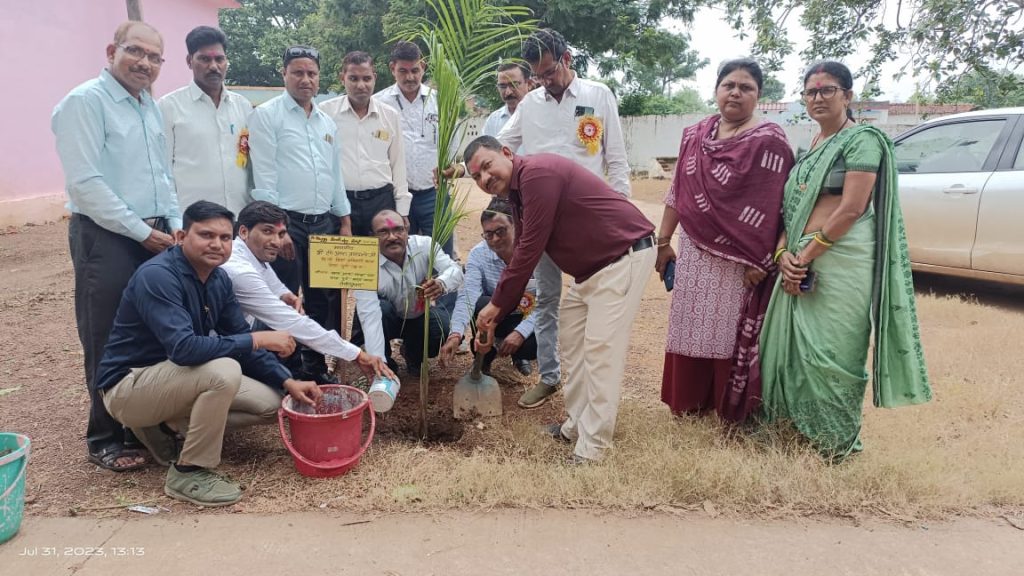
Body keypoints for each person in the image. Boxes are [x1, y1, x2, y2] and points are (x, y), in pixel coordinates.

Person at [95, 201, 321, 507]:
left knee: (271, 404)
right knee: (224, 370)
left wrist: (287, 381)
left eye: (225, 238)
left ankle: (165, 427)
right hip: (129, 387)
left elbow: (236, 335)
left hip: (175, 379)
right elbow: (185, 348)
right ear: (181, 235)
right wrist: (258, 339)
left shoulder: (219, 279)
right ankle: (190, 471)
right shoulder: (158, 276)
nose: (217, 244)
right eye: (206, 235)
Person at [759, 61, 931, 460]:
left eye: (828, 90)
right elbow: (791, 207)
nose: (818, 98)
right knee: (792, 351)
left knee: (834, 352)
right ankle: (792, 432)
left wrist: (806, 254)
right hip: (798, 257)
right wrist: (784, 253)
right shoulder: (811, 147)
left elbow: (852, 208)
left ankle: (834, 443)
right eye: (811, 92)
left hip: (840, 259)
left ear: (848, 96)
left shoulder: (862, 140)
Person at [465, 137, 656, 463]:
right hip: (591, 272)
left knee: (599, 353)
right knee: (573, 345)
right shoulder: (518, 193)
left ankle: (593, 448)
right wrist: (495, 315)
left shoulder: (538, 175)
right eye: (476, 176)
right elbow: (524, 245)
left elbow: (528, 249)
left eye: (487, 166)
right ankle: (576, 426)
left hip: (623, 258)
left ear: (507, 154)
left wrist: (496, 306)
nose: (484, 178)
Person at [52, 21, 180, 472]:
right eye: (135, 51)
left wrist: (175, 226)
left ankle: (141, 425)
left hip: (156, 233)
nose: (144, 63)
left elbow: (164, 176)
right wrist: (140, 231)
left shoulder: (148, 107)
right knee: (106, 335)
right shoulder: (85, 103)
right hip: (106, 237)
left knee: (153, 331)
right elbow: (86, 185)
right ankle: (104, 436)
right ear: (112, 50)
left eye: (154, 57)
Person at [494, 29, 631, 409]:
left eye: (550, 72)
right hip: (541, 221)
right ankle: (551, 377)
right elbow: (501, 145)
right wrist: (465, 164)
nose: (544, 81)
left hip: (588, 222)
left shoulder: (597, 95)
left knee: (595, 302)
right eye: (537, 76)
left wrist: (620, 211)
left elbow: (616, 159)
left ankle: (593, 387)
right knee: (547, 298)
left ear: (567, 58)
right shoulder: (531, 104)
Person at [653, 59, 794, 422]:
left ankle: (727, 404)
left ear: (759, 95)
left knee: (728, 331)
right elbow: (678, 191)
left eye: (746, 87)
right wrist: (664, 240)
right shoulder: (696, 134)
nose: (736, 92)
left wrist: (759, 260)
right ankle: (689, 401)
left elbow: (776, 206)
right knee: (690, 324)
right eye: (729, 84)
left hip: (741, 262)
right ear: (716, 90)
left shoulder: (770, 140)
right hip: (695, 251)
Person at [249, 44, 351, 383]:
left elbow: (335, 175)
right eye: (298, 72)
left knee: (321, 300)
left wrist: (345, 220)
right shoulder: (267, 115)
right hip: (287, 222)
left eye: (311, 73)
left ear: (319, 77)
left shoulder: (326, 122)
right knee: (282, 299)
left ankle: (314, 366)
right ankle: (279, 372)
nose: (305, 79)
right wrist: (278, 228)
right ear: (284, 74)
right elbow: (264, 176)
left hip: (324, 223)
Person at [221, 201, 396, 382]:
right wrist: (357, 354)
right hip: (219, 349)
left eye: (281, 234)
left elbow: (272, 281)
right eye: (267, 232)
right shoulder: (241, 271)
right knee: (272, 400)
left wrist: (285, 295)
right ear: (243, 232)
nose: (275, 241)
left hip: (234, 335)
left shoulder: (251, 254)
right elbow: (292, 323)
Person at [352, 210, 463, 375]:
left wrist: (441, 283)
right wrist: (379, 361)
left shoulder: (425, 246)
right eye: (383, 232)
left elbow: (455, 270)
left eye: (398, 230)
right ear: (372, 236)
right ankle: (386, 364)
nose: (392, 237)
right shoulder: (365, 262)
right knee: (381, 309)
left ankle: (413, 356)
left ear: (407, 229)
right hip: (385, 318)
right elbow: (369, 315)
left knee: (441, 329)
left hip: (416, 316)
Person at [158, 26, 254, 215]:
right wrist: (173, 219)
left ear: (226, 61)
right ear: (189, 61)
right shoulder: (169, 107)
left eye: (219, 59)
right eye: (204, 59)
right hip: (193, 223)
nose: (213, 66)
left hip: (238, 217)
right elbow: (163, 171)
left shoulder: (243, 106)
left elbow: (249, 166)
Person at [440, 198, 537, 377]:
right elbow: (468, 297)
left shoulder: (534, 252)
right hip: (493, 317)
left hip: (524, 312)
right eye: (488, 234)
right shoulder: (479, 254)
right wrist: (455, 334)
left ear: (516, 225)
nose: (495, 239)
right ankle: (484, 358)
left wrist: (520, 333)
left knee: (532, 345)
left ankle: (519, 355)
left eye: (501, 231)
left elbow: (546, 303)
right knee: (481, 303)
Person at [373, 41, 454, 256]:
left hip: (434, 194)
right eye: (403, 71)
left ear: (423, 67)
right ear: (392, 69)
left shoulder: (441, 101)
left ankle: (445, 291)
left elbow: (452, 142)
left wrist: (449, 167)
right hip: (394, 195)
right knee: (398, 254)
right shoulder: (378, 104)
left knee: (441, 254)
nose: (410, 77)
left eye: (415, 70)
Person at [321, 51, 411, 236]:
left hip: (381, 201)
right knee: (343, 262)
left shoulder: (390, 116)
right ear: (342, 78)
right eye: (353, 78)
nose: (361, 85)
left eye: (366, 78)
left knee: (382, 260)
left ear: (374, 78)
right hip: (339, 203)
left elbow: (398, 164)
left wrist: (402, 211)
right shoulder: (325, 114)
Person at [481, 62, 533, 140]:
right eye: (502, 86)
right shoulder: (493, 121)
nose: (508, 92)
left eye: (513, 84)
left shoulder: (542, 114)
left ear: (529, 84)